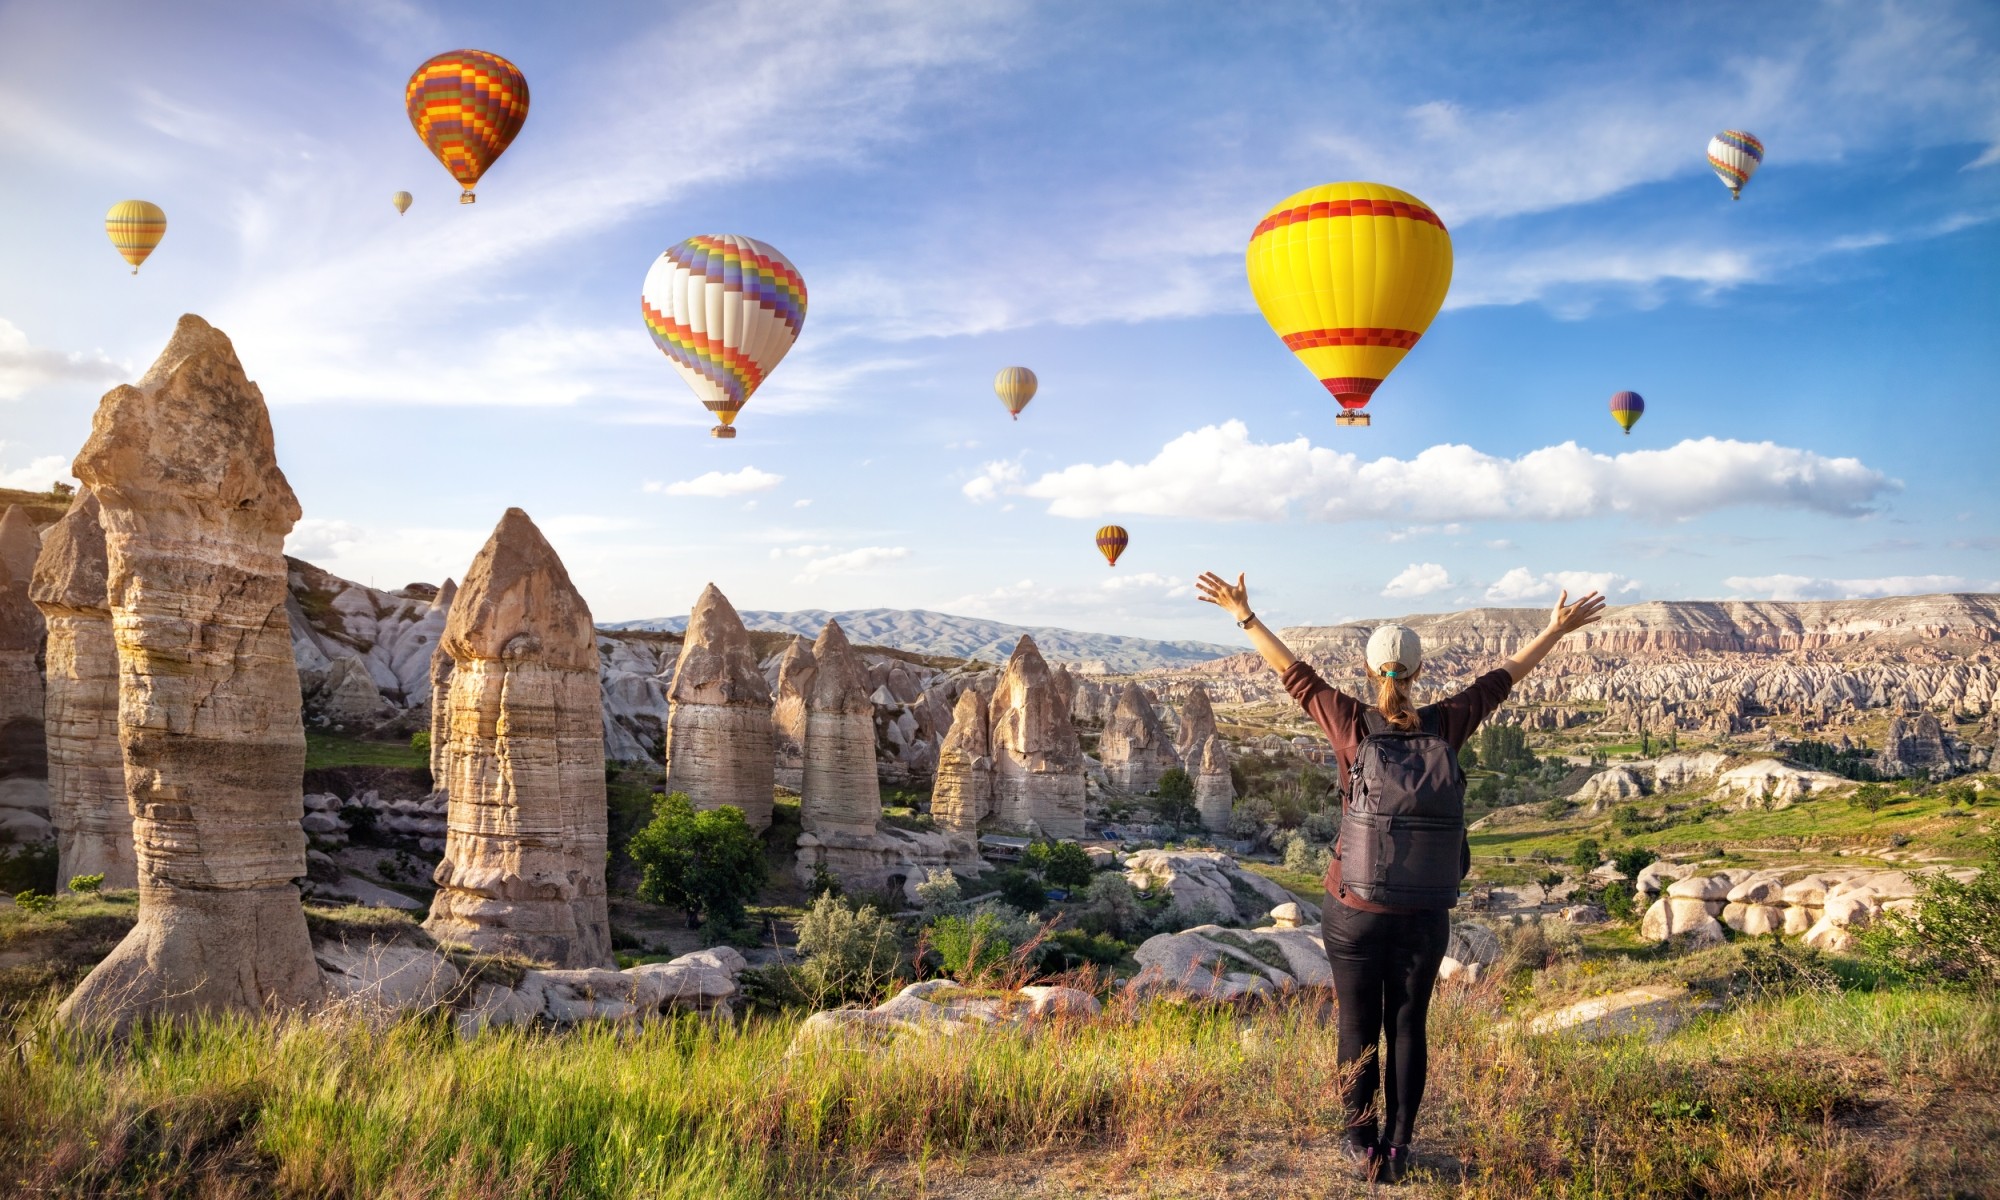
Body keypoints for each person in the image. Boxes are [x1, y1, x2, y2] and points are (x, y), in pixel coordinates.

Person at [1195, 570, 1606, 1184]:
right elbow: (1502, 680)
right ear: (1417, 673)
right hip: (1424, 910)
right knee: (1409, 1024)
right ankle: (1397, 1148)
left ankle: (1357, 1143)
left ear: (1369, 672)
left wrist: (1244, 615)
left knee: (1357, 1023)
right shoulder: (1446, 723)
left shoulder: (1351, 722)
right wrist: (1553, 629)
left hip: (1353, 904)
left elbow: (1295, 675)